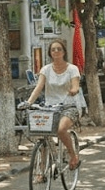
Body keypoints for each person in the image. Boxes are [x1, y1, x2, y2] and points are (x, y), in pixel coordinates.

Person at [22, 38, 82, 171]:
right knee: (43, 136)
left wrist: (73, 90)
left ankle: (73, 155)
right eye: (53, 49)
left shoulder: (72, 69)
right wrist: (29, 102)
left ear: (64, 52)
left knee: (61, 130)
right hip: (49, 107)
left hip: (69, 106)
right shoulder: (46, 69)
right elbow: (38, 88)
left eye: (59, 49)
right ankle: (42, 170)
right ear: (50, 53)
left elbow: (75, 85)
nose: (56, 51)